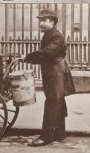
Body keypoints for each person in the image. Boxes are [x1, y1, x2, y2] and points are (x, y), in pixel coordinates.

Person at [23, 9, 76, 147]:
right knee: (57, 100)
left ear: (51, 22)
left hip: (56, 72)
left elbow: (46, 53)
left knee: (53, 101)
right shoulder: (49, 34)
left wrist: (27, 57)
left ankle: (46, 137)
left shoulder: (56, 36)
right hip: (52, 71)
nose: (40, 23)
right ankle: (59, 133)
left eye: (43, 20)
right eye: (40, 20)